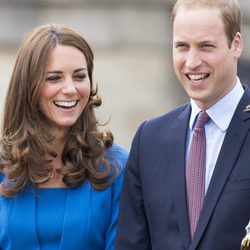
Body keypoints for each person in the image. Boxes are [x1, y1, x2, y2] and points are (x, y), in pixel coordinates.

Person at [115, 0, 250, 249]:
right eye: (182, 46)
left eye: (206, 46)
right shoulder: (149, 140)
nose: (192, 62)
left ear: (236, 45)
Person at [0, 23, 128, 250]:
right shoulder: (3, 165)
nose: (70, 89)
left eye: (79, 76)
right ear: (28, 86)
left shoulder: (116, 167)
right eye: (54, 78)